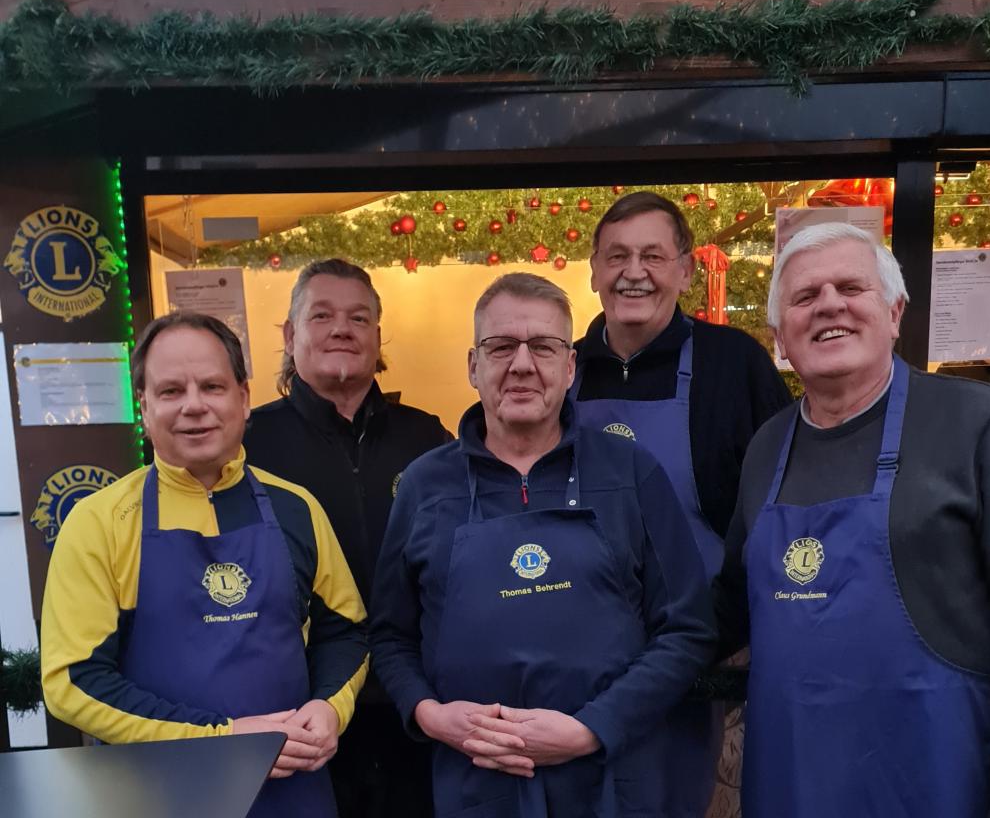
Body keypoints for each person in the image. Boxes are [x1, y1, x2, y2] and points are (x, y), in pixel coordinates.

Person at [371, 272, 715, 818]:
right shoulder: (424, 486)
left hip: (611, 781)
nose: (522, 364)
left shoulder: (629, 471)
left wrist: (592, 727)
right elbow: (391, 636)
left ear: (570, 367)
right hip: (477, 782)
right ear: (473, 366)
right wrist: (429, 714)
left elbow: (687, 629)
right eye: (501, 346)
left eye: (544, 347)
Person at [715, 223, 990, 817]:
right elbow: (727, 606)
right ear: (780, 336)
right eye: (804, 296)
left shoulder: (978, 424)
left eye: (850, 287)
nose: (829, 305)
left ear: (894, 312)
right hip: (790, 786)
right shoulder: (766, 447)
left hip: (936, 787)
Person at [41, 312, 368, 818]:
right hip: (156, 796)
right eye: (171, 391)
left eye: (212, 386)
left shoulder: (297, 508)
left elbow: (345, 631)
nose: (194, 405)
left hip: (293, 792)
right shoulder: (99, 523)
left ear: (243, 398)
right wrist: (220, 738)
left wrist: (328, 707)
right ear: (144, 407)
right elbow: (74, 680)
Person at [572, 190, 791, 816]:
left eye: (652, 256)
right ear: (593, 271)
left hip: (712, 654)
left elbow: (778, 506)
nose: (633, 272)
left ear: (687, 270)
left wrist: (716, 635)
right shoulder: (561, 369)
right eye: (616, 256)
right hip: (587, 658)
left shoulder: (734, 364)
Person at [245, 258, 450, 818]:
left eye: (359, 318)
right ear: (290, 334)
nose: (342, 329)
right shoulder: (248, 445)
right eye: (322, 315)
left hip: (417, 708)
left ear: (378, 337)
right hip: (298, 714)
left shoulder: (428, 438)